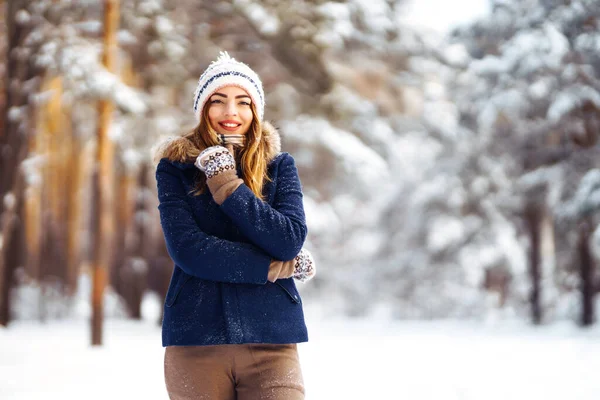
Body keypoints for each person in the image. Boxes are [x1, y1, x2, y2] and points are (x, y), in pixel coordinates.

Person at [153, 51, 316, 400]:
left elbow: (288, 239)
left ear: (255, 110)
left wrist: (227, 184)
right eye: (219, 101)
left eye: (243, 102)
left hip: (272, 338)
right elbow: (189, 251)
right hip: (196, 340)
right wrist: (276, 267)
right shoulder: (175, 168)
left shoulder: (280, 166)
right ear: (203, 109)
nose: (231, 113)